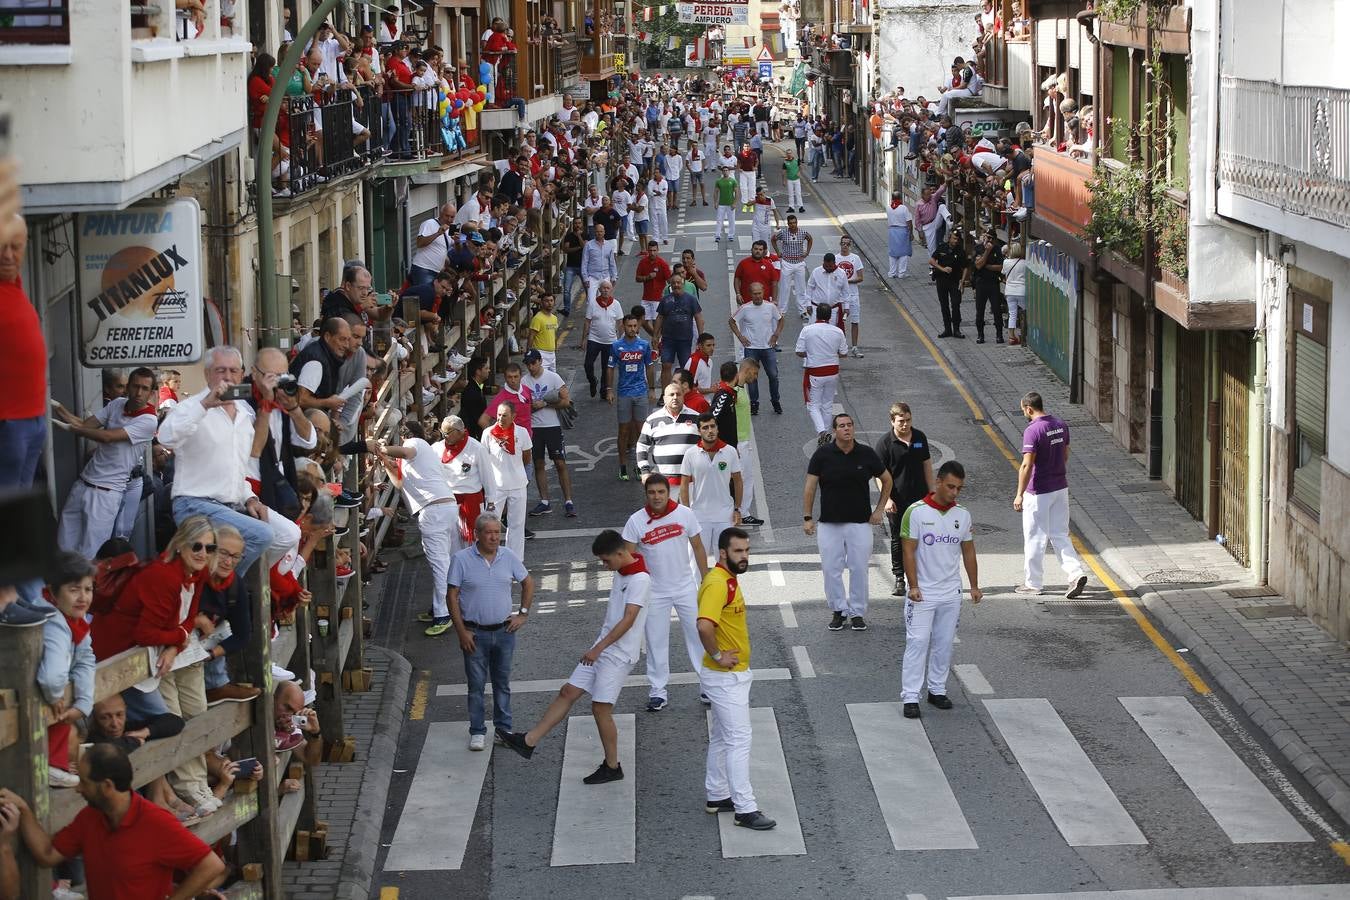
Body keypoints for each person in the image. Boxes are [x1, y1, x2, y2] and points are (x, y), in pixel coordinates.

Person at [495, 530, 649, 784]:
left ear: (621, 554)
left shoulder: (640, 580)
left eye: (606, 560)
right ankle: (528, 741)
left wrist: (598, 649)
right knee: (568, 691)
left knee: (600, 708)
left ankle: (613, 766)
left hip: (618, 654)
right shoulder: (624, 570)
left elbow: (629, 620)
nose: (604, 565)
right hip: (603, 647)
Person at [92, 516, 221, 815]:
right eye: (197, 545)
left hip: (147, 658)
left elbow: (186, 620)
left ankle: (174, 794)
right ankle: (167, 798)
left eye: (209, 547)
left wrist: (176, 644)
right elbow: (146, 632)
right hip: (119, 658)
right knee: (165, 723)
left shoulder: (196, 574)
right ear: (180, 545)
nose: (203, 552)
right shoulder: (164, 576)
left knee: (173, 721)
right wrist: (180, 638)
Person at [0, 745, 225, 899]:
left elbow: (212, 865)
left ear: (107, 786)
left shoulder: (155, 823)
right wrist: (23, 809)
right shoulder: (90, 817)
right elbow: (47, 854)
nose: (78, 788)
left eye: (85, 782)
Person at [157, 347, 301, 587]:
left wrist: (251, 498)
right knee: (262, 535)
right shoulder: (192, 406)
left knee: (289, 533)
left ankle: (231, 588)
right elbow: (165, 437)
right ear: (207, 374)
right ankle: (222, 589)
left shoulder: (244, 412)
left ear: (242, 374)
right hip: (194, 504)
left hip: (231, 505)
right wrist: (204, 405)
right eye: (220, 370)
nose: (227, 377)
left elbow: (242, 465)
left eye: (233, 371)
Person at [696, 527, 776, 830]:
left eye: (747, 550)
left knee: (721, 737)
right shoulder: (719, 583)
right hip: (725, 677)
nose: (744, 556)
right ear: (723, 553)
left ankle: (717, 794)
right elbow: (704, 626)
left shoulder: (726, 580)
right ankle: (745, 808)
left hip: (728, 676)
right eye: (738, 551)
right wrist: (718, 656)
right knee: (740, 740)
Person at [899, 460, 983, 718]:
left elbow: (968, 551)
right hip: (923, 593)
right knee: (918, 642)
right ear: (938, 482)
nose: (954, 493)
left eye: (959, 488)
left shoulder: (963, 515)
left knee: (944, 644)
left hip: (950, 593)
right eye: (950, 486)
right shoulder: (916, 512)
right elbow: (908, 550)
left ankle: (936, 690)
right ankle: (911, 696)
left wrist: (974, 585)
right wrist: (913, 585)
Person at [622, 474, 708, 711]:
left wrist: (707, 579)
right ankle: (657, 691)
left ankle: (707, 686)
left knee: (699, 637)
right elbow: (628, 559)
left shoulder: (684, 514)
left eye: (661, 492)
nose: (657, 497)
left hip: (685, 588)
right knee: (656, 642)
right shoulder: (635, 521)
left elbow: (698, 547)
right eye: (652, 493)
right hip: (655, 593)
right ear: (646, 494)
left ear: (667, 493)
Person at [448, 514, 533, 750]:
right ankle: (477, 730)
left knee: (502, 683)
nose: (495, 537)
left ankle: (503, 729)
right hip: (474, 633)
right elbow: (452, 596)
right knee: (476, 685)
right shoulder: (461, 559)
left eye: (497, 532)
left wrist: (523, 613)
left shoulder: (508, 556)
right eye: (489, 532)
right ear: (477, 534)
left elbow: (528, 582)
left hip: (504, 631)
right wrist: (461, 632)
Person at [54, 367, 158, 558]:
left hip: (106, 493)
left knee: (90, 556)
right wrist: (56, 407)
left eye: (145, 389)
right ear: (128, 388)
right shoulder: (117, 403)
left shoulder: (149, 420)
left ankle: (87, 589)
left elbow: (107, 437)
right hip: (83, 484)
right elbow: (85, 426)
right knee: (62, 551)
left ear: (151, 393)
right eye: (135, 387)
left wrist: (69, 429)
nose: (139, 393)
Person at [803, 413, 891, 632]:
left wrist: (879, 509)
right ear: (835, 431)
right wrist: (807, 518)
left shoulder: (866, 454)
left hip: (860, 524)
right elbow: (810, 487)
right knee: (831, 569)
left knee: (859, 568)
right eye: (842, 426)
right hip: (829, 524)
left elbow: (887, 479)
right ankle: (838, 610)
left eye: (850, 425)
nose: (847, 429)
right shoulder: (822, 455)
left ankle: (857, 612)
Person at [375, 422, 461, 636]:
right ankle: (439, 607)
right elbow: (399, 485)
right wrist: (385, 462)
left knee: (440, 564)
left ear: (405, 436)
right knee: (442, 562)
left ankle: (443, 614)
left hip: (434, 511)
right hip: (443, 507)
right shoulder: (420, 456)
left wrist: (380, 448)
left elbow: (405, 450)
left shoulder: (416, 443)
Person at [1013, 392, 1089, 598]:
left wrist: (1019, 494)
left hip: (1038, 492)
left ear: (1028, 409)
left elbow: (1027, 464)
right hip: (1060, 488)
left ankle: (1033, 584)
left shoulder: (1033, 431)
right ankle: (1076, 573)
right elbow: (1065, 454)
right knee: (1060, 534)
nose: (1025, 414)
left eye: (1024, 411)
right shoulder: (1060, 424)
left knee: (1035, 537)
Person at [35, 552, 96, 789]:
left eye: (88, 589)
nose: (83, 598)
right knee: (57, 706)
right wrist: (55, 695)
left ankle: (54, 764)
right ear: (53, 591)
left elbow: (85, 658)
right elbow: (51, 678)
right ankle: (50, 764)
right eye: (74, 589)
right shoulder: (54, 621)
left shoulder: (76, 622)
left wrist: (83, 703)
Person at [0, 212, 49, 490]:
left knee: (18, 508)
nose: (8, 255)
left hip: (32, 421)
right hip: (7, 424)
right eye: (1, 246)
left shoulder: (13, 284)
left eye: (15, 246)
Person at [875, 402, 936, 597]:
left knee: (924, 537)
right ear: (892, 421)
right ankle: (900, 577)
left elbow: (926, 464)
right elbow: (879, 475)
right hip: (897, 500)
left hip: (921, 498)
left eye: (908, 420)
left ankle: (921, 576)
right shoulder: (884, 443)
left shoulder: (919, 437)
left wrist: (932, 492)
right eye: (901, 421)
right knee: (898, 539)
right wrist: (887, 500)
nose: (905, 425)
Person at [680, 414, 743, 563]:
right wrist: (687, 512)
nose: (710, 431)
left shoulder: (730, 451)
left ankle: (722, 587)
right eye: (705, 427)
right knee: (695, 562)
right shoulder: (690, 454)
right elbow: (684, 484)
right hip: (699, 516)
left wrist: (737, 509)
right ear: (699, 431)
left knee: (725, 561)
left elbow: (738, 481)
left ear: (717, 428)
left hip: (725, 516)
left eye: (713, 426)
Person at [521, 350, 575, 518]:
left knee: (560, 463)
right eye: (528, 364)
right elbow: (523, 406)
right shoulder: (524, 381)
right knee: (538, 464)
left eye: (533, 363)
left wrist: (544, 404)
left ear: (540, 362)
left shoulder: (553, 378)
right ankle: (545, 501)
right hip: (534, 428)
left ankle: (568, 501)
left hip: (552, 426)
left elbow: (566, 401)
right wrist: (532, 407)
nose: (530, 367)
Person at [608, 313, 657, 482]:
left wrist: (651, 389)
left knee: (641, 431)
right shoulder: (616, 346)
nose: (633, 329)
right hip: (624, 393)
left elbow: (650, 368)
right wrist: (609, 389)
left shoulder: (644, 345)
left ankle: (639, 465)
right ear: (624, 325)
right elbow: (610, 368)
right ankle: (622, 465)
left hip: (640, 392)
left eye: (635, 326)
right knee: (623, 431)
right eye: (629, 326)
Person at [433, 415, 490, 554]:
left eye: (447, 433)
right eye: (443, 433)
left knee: (472, 542)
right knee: (451, 542)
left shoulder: (476, 448)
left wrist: (491, 501)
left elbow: (488, 478)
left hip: (471, 501)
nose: (444, 436)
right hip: (448, 501)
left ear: (460, 431)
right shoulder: (436, 448)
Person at [482, 403, 532, 560]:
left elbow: (526, 457)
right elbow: (483, 459)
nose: (500, 418)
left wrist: (514, 470)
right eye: (498, 415)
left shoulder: (522, 433)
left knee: (516, 525)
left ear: (513, 416)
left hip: (518, 485)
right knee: (490, 525)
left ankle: (515, 561)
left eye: (504, 415)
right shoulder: (488, 433)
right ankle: (489, 558)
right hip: (496, 487)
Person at [795, 304, 850, 442]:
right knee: (827, 404)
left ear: (816, 314)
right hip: (832, 371)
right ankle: (827, 435)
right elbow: (844, 353)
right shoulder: (837, 331)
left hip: (815, 371)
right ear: (830, 316)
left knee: (813, 405)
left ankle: (822, 431)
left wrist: (812, 353)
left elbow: (799, 352)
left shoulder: (807, 330)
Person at [729, 282, 783, 415]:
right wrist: (740, 337)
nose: (757, 296)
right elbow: (731, 321)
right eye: (755, 294)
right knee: (752, 378)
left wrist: (776, 334)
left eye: (759, 293)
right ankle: (754, 403)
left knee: (773, 376)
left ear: (763, 292)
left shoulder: (771, 307)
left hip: (768, 347)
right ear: (750, 294)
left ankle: (775, 400)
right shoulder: (745, 308)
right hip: (751, 348)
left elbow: (781, 320)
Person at [635, 382, 701, 486]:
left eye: (678, 394)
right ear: (664, 398)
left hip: (693, 481)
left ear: (683, 397)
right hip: (664, 483)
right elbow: (642, 446)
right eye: (671, 395)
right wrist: (645, 472)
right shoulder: (652, 420)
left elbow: (708, 445)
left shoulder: (697, 418)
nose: (675, 397)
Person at [654, 273, 704, 387]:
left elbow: (698, 317)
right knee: (666, 365)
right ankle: (665, 393)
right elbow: (660, 317)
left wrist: (701, 337)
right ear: (670, 285)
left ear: (683, 283)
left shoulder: (691, 299)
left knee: (685, 367)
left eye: (678, 282)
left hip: (685, 340)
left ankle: (686, 394)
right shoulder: (665, 300)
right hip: (668, 340)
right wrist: (655, 336)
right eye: (674, 283)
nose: (676, 285)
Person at [580, 280, 623, 399]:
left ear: (611, 289)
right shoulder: (593, 304)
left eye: (608, 288)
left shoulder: (616, 304)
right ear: (599, 290)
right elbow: (587, 321)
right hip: (594, 339)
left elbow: (620, 323)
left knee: (606, 367)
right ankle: (592, 380)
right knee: (587, 364)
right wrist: (584, 339)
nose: (605, 290)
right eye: (603, 288)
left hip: (610, 341)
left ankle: (604, 390)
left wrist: (622, 340)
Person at [771, 215, 813, 318]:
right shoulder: (783, 233)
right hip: (787, 263)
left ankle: (802, 310)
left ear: (797, 222)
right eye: (790, 223)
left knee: (801, 288)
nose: (793, 225)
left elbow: (810, 239)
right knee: (785, 288)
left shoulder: (803, 233)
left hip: (799, 263)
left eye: (794, 222)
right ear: (788, 224)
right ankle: (782, 311)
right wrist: (778, 252)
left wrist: (807, 252)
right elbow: (773, 239)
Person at [929, 228, 969, 339]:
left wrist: (963, 281)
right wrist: (942, 269)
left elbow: (965, 267)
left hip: (955, 281)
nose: (956, 241)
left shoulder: (960, 250)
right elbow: (932, 260)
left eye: (957, 239)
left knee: (956, 304)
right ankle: (947, 329)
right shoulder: (942, 247)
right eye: (954, 238)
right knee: (944, 305)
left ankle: (956, 329)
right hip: (942, 280)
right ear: (949, 238)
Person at [410, 203, 458, 285]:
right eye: (447, 216)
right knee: (426, 295)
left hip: (437, 272)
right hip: (423, 269)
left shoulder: (449, 229)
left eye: (452, 217)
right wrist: (438, 233)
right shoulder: (429, 223)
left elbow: (457, 249)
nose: (449, 219)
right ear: (441, 214)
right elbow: (419, 243)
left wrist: (458, 241)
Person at [971, 231, 1005, 344]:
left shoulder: (997, 249)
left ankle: (999, 335)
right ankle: (980, 335)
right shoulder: (978, 248)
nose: (989, 240)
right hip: (981, 283)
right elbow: (978, 265)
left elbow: (1000, 267)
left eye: (992, 239)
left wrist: (987, 266)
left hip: (993, 283)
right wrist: (987, 251)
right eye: (988, 238)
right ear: (984, 237)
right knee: (979, 311)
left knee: (996, 310)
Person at [835, 235, 866, 357]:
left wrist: (847, 281)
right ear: (840, 244)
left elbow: (860, 277)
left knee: (855, 321)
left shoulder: (855, 258)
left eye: (847, 244)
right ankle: (839, 347)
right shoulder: (836, 259)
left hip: (853, 295)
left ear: (850, 245)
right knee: (838, 322)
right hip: (839, 296)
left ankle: (854, 347)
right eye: (843, 243)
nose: (845, 246)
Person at [635, 239, 672, 327]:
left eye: (654, 250)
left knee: (656, 322)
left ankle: (656, 339)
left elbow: (669, 281)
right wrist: (647, 277)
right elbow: (637, 278)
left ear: (658, 250)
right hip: (646, 297)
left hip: (658, 298)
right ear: (647, 250)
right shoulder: (643, 262)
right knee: (643, 322)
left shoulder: (663, 264)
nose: (652, 253)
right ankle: (655, 337)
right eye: (650, 250)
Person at [581, 222, 618, 305]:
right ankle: (591, 317)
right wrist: (585, 278)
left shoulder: (609, 245)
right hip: (593, 277)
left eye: (601, 231)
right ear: (595, 232)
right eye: (597, 231)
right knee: (591, 301)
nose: (599, 233)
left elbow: (612, 262)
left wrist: (614, 276)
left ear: (604, 232)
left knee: (606, 300)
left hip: (605, 276)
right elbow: (584, 262)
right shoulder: (588, 245)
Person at [885, 190, 915, 278]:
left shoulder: (888, 208)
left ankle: (892, 272)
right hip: (902, 231)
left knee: (893, 252)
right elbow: (909, 222)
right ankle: (902, 273)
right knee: (903, 252)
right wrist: (911, 233)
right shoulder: (903, 208)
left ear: (892, 198)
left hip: (892, 231)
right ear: (900, 198)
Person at [527, 292, 561, 370]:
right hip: (541, 353)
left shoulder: (554, 318)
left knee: (552, 379)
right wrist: (528, 352)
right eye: (546, 301)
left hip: (552, 354)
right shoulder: (538, 318)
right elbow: (531, 335)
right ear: (541, 303)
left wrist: (555, 348)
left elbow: (554, 334)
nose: (549, 303)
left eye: (551, 300)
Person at [1003, 243, 1027, 345]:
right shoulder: (1025, 263)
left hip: (1009, 291)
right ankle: (1024, 333)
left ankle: (1011, 337)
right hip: (1021, 290)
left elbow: (1004, 273)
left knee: (1012, 313)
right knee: (1025, 312)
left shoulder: (1006, 262)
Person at [749, 183, 780, 248]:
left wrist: (777, 224)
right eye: (758, 195)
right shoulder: (756, 199)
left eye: (761, 194)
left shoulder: (770, 200)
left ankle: (766, 257)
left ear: (764, 193)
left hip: (766, 227)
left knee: (765, 246)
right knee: (755, 245)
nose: (760, 196)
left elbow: (775, 212)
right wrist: (755, 201)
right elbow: (747, 204)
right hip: (756, 226)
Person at [713, 167, 738, 244]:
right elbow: (716, 192)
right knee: (719, 220)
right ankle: (717, 235)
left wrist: (734, 203)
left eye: (727, 170)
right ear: (722, 172)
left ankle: (731, 235)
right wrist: (715, 202)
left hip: (730, 204)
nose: (725, 172)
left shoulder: (733, 181)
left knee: (731, 220)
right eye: (724, 171)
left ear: (729, 172)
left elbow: (737, 193)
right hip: (721, 204)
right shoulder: (719, 181)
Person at [782, 148, 804, 213]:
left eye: (790, 153)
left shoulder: (797, 160)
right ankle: (791, 207)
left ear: (792, 153)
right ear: (786, 154)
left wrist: (799, 173)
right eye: (788, 153)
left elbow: (801, 167)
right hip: (789, 180)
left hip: (797, 179)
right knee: (790, 194)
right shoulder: (785, 162)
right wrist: (783, 181)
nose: (789, 154)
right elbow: (783, 172)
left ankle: (800, 207)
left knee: (798, 193)